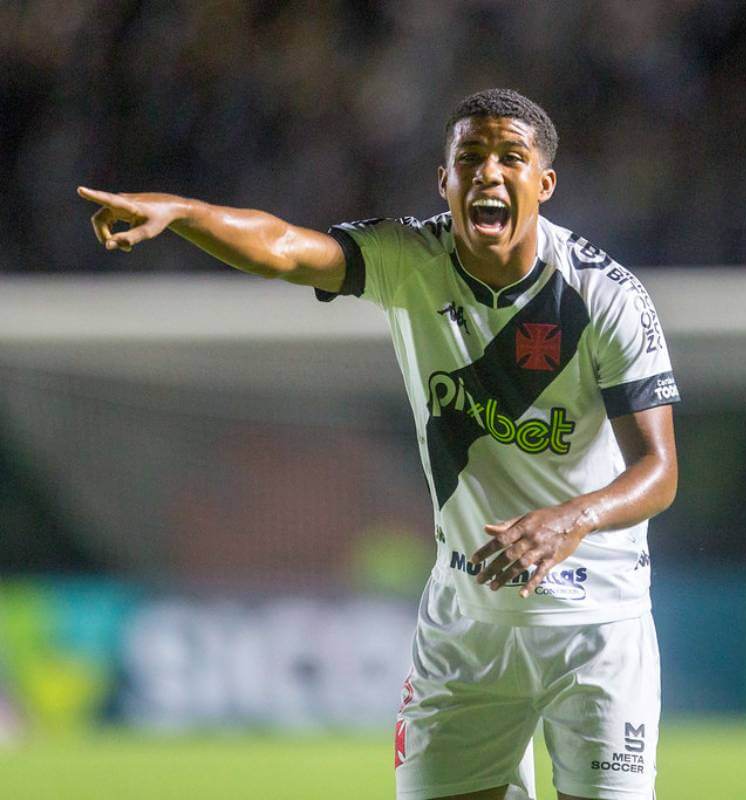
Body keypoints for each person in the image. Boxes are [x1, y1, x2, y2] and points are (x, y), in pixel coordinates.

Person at [78, 88, 679, 800]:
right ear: (444, 181)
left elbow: (659, 470)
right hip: (467, 623)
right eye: (470, 158)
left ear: (543, 184)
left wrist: (567, 519)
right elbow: (282, 248)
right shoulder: (409, 257)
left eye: (510, 158)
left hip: (596, 623)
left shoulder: (604, 296)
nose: (488, 172)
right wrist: (181, 213)